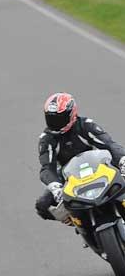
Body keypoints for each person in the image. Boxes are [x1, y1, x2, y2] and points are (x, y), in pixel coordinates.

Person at [35, 92, 125, 221]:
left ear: (71, 114)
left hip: (98, 165)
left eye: (59, 118)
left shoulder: (85, 125)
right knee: (43, 206)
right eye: (51, 118)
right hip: (69, 176)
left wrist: (122, 159)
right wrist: (55, 187)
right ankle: (78, 220)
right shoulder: (47, 139)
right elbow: (46, 168)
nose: (55, 123)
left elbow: (109, 145)